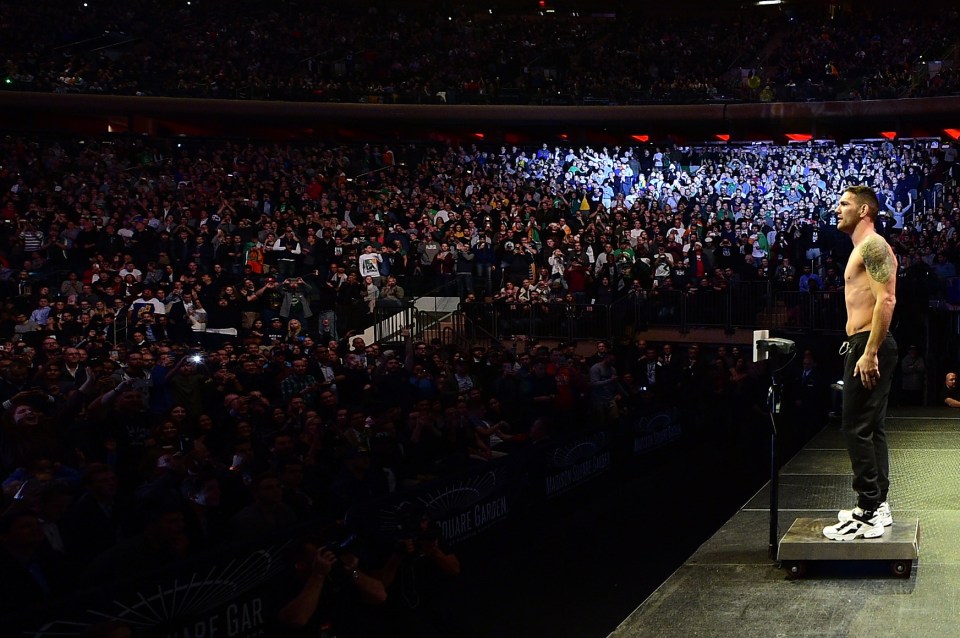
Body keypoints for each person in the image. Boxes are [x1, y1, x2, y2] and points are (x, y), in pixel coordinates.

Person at [823, 185, 898, 542]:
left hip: (870, 344)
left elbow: (887, 300)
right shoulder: (862, 248)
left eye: (844, 204)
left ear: (865, 210)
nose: (837, 209)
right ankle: (878, 503)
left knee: (855, 427)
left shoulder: (873, 246)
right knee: (871, 428)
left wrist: (869, 352)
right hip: (865, 342)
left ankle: (867, 511)